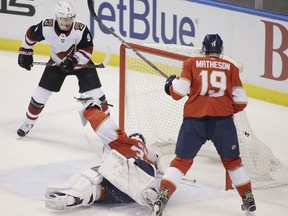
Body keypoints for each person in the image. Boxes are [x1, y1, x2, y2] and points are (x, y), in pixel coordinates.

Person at [151, 34, 256, 216]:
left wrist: (169, 85)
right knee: (232, 162)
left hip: (194, 122)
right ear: (221, 51)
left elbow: (178, 92)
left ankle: (163, 196)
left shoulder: (191, 63)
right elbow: (241, 101)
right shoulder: (231, 68)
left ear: (203, 49)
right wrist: (223, 107)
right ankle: (248, 198)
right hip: (222, 124)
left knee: (181, 162)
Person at [45, 94, 160, 210]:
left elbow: (106, 126)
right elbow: (157, 161)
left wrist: (91, 108)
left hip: (127, 167)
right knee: (101, 191)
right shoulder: (147, 152)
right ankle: (76, 197)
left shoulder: (124, 141)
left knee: (98, 172)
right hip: (143, 178)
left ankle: (78, 193)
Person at [17, 0, 109, 137]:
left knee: (98, 95)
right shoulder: (46, 26)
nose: (67, 23)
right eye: (64, 20)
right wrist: (25, 52)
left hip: (81, 65)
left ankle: (109, 130)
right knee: (40, 95)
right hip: (57, 64)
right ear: (57, 17)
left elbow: (88, 48)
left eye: (69, 19)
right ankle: (28, 122)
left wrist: (74, 59)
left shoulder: (80, 29)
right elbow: (30, 35)